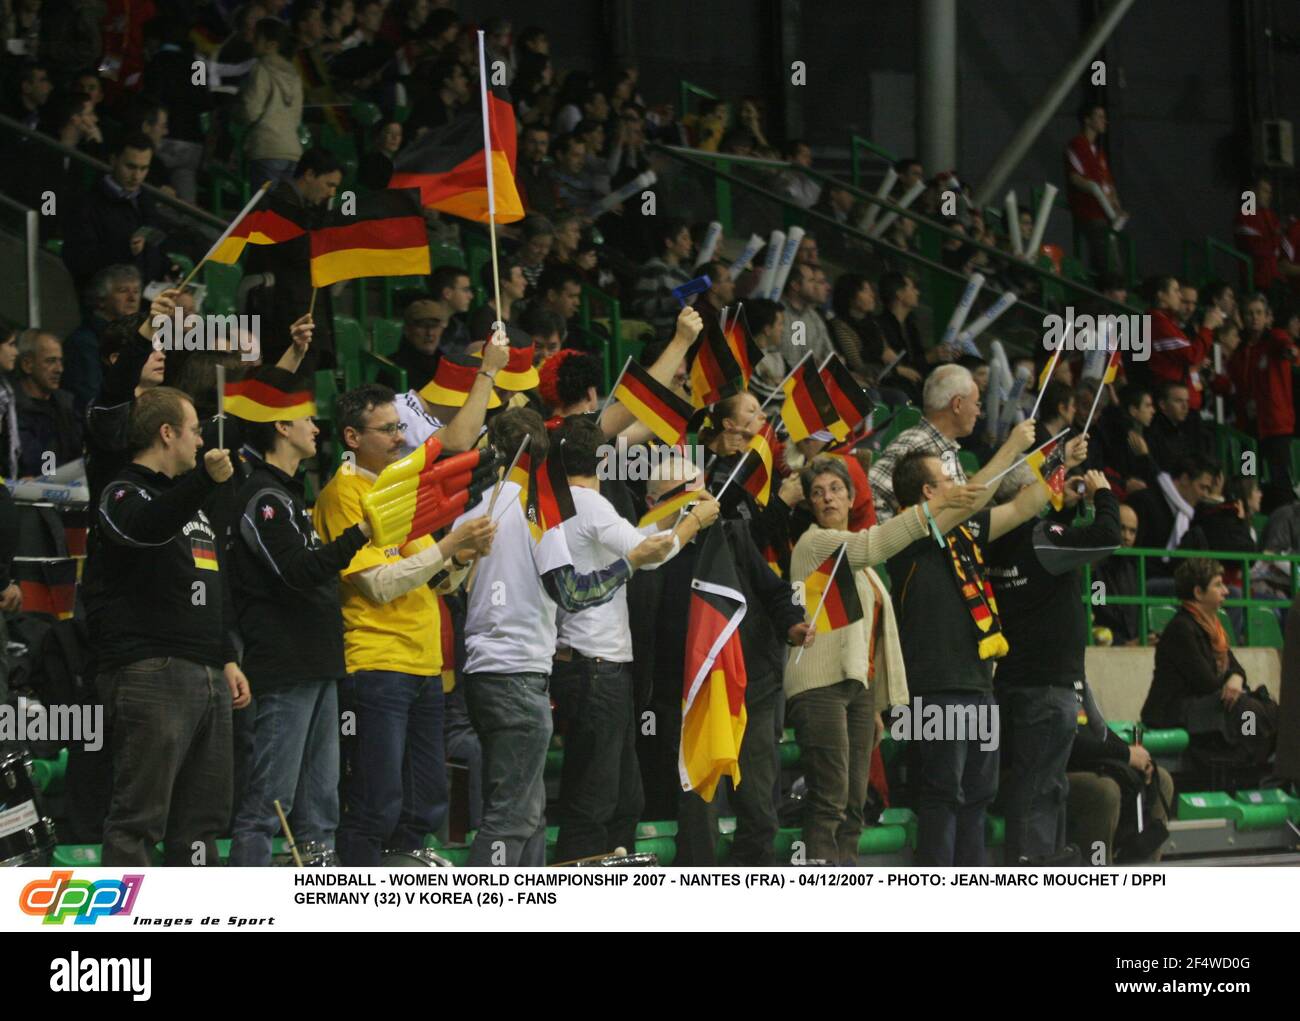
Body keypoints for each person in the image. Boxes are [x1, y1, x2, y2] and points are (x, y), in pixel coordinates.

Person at [453, 408, 673, 866]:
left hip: (479, 670)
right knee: (513, 818)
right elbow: (572, 593)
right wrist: (629, 563)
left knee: (527, 815)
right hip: (519, 672)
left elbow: (451, 586)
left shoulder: (476, 510)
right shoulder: (538, 513)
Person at [312, 383, 496, 865]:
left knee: (425, 803)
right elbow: (377, 585)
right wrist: (449, 545)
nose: (400, 437)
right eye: (388, 428)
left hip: (424, 665)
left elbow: (436, 581)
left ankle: (404, 888)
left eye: (399, 426)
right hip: (376, 664)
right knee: (376, 801)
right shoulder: (343, 495)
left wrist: (461, 557)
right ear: (352, 436)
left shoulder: (393, 493)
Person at [886, 420, 1081, 867]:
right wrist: (1012, 444)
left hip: (978, 684)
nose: (957, 484)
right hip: (935, 688)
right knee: (943, 793)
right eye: (947, 479)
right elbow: (975, 494)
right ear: (925, 495)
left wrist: (1059, 462)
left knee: (978, 795)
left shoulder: (964, 533)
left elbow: (1024, 505)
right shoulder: (906, 533)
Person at [785, 456, 982, 864]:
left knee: (855, 801)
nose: (827, 498)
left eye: (836, 489)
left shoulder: (866, 572)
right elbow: (872, 544)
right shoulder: (814, 544)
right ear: (809, 504)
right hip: (819, 688)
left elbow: (866, 640)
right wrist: (930, 509)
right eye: (817, 492)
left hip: (855, 690)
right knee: (831, 797)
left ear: (852, 496)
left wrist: (873, 704)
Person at [551, 418, 719, 860]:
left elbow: (639, 544)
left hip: (596, 668)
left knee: (625, 798)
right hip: (596, 668)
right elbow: (652, 555)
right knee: (595, 801)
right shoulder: (590, 504)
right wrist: (695, 520)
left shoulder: (562, 505)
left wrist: (671, 513)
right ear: (602, 460)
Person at [89, 387, 243, 865]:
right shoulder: (121, 491)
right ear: (166, 432)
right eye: (195, 430)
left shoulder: (189, 502)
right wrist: (201, 483)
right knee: (139, 819)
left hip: (206, 673)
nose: (201, 442)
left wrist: (226, 656)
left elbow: (210, 583)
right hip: (150, 671)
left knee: (201, 823)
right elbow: (147, 527)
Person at [631, 455, 810, 866]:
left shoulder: (733, 535)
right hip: (684, 700)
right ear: (653, 500)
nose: (702, 499)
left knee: (760, 813)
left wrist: (793, 625)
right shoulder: (642, 550)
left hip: (748, 693)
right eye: (686, 493)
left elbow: (776, 592)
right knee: (698, 818)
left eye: (701, 487)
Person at [227, 375, 375, 866]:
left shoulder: (290, 497)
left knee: (321, 808)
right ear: (282, 425)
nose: (317, 426)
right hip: (285, 666)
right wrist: (359, 534)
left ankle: (318, 900)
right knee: (269, 805)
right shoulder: (263, 499)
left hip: (317, 663)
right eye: (308, 418)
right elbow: (295, 572)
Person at [985, 465, 1120, 864]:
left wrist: (1063, 510)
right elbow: (1108, 537)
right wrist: (1103, 496)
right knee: (1040, 789)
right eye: (1041, 489)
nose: (1050, 493)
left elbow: (1042, 547)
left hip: (1018, 682)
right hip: (1046, 690)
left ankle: (1043, 865)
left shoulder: (1001, 539)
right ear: (1025, 494)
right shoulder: (1041, 541)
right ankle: (1033, 871)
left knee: (1044, 786)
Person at [1141, 558, 1277, 766]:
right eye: (1218, 585)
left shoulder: (1214, 629)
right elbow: (1206, 683)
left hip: (1202, 704)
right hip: (1174, 711)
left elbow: (1236, 668)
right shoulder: (1181, 629)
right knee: (1247, 710)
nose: (1226, 591)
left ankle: (1258, 765)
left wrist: (1235, 678)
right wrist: (1231, 681)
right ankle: (1244, 769)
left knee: (1268, 707)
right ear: (1198, 592)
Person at [244, 148, 344, 374]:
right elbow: (298, 253)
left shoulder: (306, 210)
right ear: (309, 175)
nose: (332, 193)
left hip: (296, 320)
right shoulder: (278, 205)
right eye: (329, 184)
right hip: (280, 321)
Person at [1066, 681, 1174, 865]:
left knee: (1160, 779)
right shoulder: (1045, 679)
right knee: (1104, 791)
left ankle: (1144, 868)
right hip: (1059, 770)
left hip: (1092, 763)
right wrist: (1125, 754)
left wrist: (1133, 756)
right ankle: (1097, 866)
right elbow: (1068, 742)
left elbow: (1102, 731)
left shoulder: (1078, 681)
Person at [869, 364, 986, 522]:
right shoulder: (915, 442)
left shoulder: (946, 449)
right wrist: (903, 541)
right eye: (976, 404)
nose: (978, 413)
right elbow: (873, 496)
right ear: (957, 404)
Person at [61, 132, 167, 291]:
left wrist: (168, 270)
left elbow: (155, 247)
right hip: (109, 297)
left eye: (143, 168)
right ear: (113, 160)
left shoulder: (145, 199)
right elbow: (80, 260)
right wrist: (125, 249)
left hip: (147, 293)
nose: (136, 176)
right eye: (130, 167)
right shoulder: (88, 204)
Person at [63, 264, 142, 414]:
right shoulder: (84, 343)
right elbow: (91, 400)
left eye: (136, 291)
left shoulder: (133, 338)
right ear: (101, 300)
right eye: (123, 291)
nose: (132, 298)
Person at [238, 17, 304, 190]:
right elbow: (296, 118)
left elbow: (250, 110)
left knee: (264, 209)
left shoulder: (261, 69)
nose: (252, 41)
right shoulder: (294, 73)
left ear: (271, 45)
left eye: (257, 38)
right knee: (282, 209)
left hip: (266, 147)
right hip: (292, 150)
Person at [1126, 452, 1217, 576]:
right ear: (1185, 479)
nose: (1205, 495)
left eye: (1208, 490)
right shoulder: (1143, 501)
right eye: (1202, 487)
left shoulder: (1191, 515)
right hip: (1143, 580)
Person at [1064, 102, 1125, 274]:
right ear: (1087, 120)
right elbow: (1076, 178)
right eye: (1100, 117)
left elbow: (1108, 184)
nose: (1105, 121)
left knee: (1113, 259)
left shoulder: (1099, 152)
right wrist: (1101, 195)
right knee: (1107, 262)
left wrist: (1116, 206)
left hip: (1106, 215)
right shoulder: (1076, 145)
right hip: (1090, 212)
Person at [14, 330, 82, 477]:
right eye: (50, 361)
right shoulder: (10, 408)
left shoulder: (66, 405)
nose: (59, 369)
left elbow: (79, 454)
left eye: (60, 361)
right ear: (27, 364)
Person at [874, 271, 934, 402]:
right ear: (899, 294)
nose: (917, 292)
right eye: (912, 288)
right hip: (895, 385)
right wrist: (929, 358)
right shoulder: (879, 325)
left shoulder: (911, 326)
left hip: (914, 383)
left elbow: (916, 362)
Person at [631, 218, 693, 340]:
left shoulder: (685, 276)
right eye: (684, 238)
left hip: (679, 336)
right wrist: (673, 300)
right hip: (656, 337)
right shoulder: (654, 267)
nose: (690, 243)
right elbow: (640, 306)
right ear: (669, 242)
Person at [1092, 502, 1143, 646]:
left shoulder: (1134, 570)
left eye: (1132, 531)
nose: (1127, 537)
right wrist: (1123, 643)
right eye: (1122, 528)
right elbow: (1099, 614)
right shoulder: (1095, 570)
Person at [1095, 383, 1157, 494]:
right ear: (1133, 410)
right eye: (1148, 406)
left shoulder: (1149, 435)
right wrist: (1144, 457)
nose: (1153, 411)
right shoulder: (1122, 439)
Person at [829, 274, 884, 382]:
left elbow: (886, 353)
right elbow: (856, 364)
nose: (872, 295)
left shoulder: (873, 323)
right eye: (865, 291)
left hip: (878, 378)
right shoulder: (841, 325)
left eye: (871, 290)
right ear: (850, 296)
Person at [777, 262, 833, 368]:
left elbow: (829, 355)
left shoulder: (815, 318)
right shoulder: (777, 312)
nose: (815, 286)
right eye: (811, 281)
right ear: (796, 285)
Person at [1234, 175, 1283, 295]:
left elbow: (1278, 246)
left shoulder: (1270, 215)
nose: (1269, 196)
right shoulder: (1245, 215)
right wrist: (1273, 240)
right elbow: (1255, 247)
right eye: (1265, 191)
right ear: (1253, 191)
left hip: (1274, 279)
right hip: (1254, 280)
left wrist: (1271, 241)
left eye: (1270, 192)